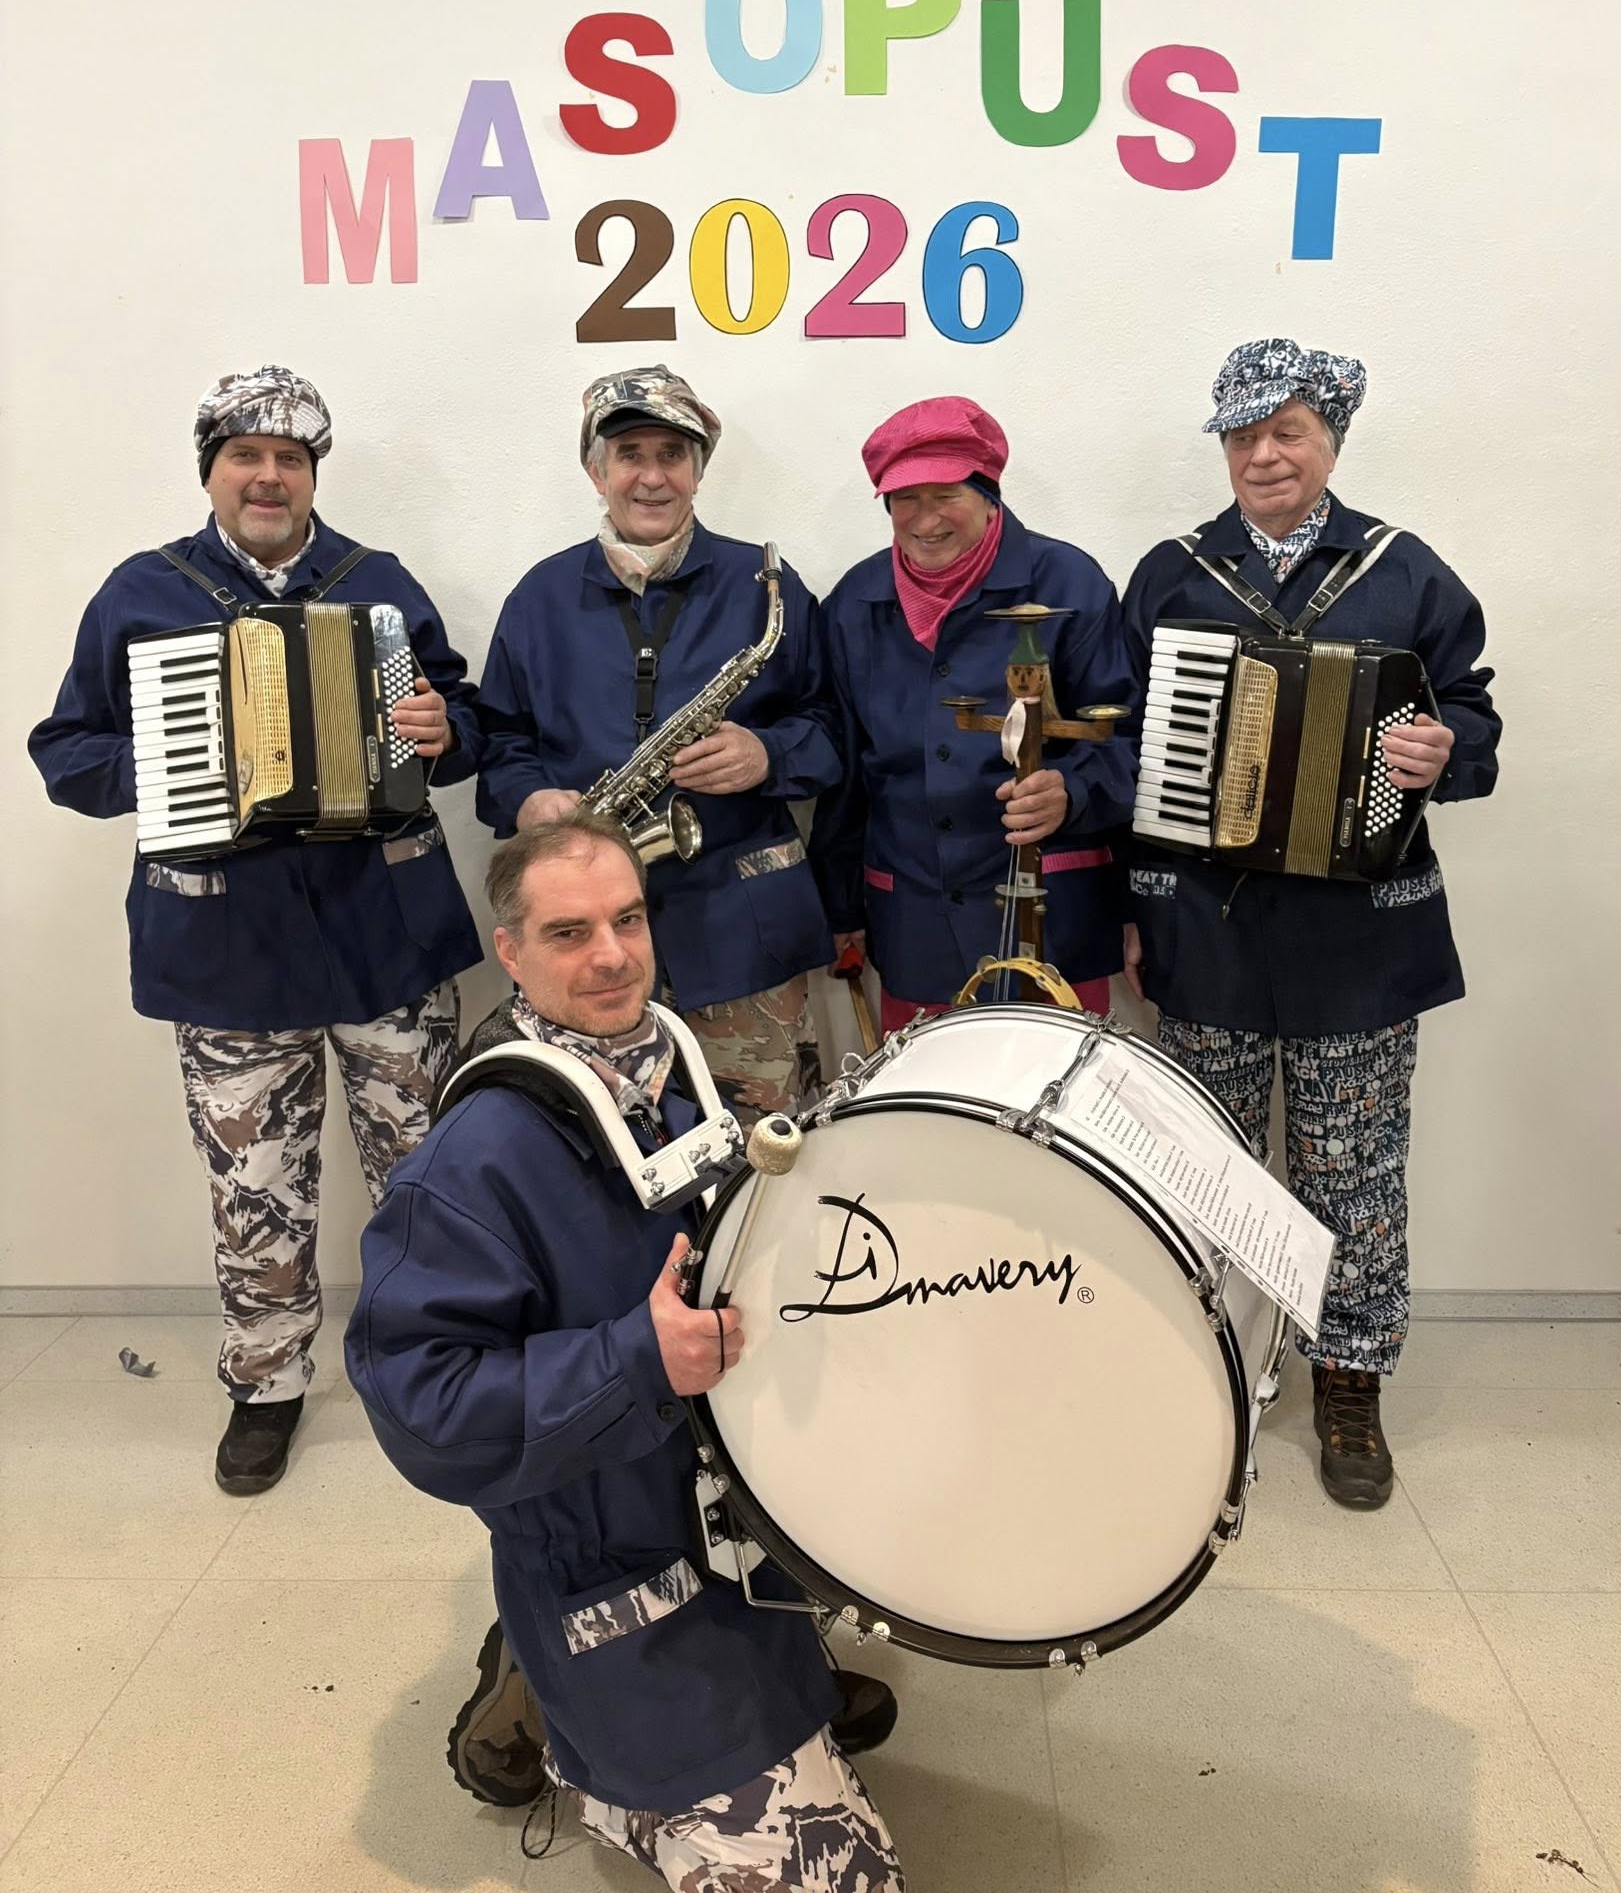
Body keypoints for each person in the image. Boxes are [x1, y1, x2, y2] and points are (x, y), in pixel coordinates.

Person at [346, 816, 904, 1889]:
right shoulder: (467, 1165)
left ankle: (570, 1676)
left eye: (628, 919)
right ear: (509, 953)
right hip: (613, 1568)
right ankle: (563, 1701)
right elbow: (422, 1410)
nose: (611, 955)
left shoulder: (671, 1074)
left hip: (725, 1518)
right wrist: (634, 1360)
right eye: (568, 933)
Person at [29, 366, 482, 1495]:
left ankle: (435, 1358)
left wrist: (444, 729)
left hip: (384, 933)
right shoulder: (142, 590)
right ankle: (269, 1384)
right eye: (246, 455)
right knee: (256, 1183)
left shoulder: (376, 583)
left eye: (289, 458)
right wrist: (172, 759)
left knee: (427, 1165)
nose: (268, 476)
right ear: (213, 473)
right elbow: (66, 752)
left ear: (312, 475)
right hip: (226, 947)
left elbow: (465, 717)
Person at [1119, 337, 1501, 1508]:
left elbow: (1472, 712)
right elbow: (1125, 751)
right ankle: (1223, 1359)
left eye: (1283, 431)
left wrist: (1443, 749)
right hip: (1207, 928)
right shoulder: (1171, 575)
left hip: (1359, 938)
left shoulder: (1403, 570)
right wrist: (1130, 909)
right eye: (1241, 435)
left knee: (1352, 1171)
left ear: (1329, 439)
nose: (1261, 455)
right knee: (1211, 1168)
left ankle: (1348, 1376)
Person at [475, 365, 840, 1127]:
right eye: (630, 454)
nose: (651, 476)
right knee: (599, 1156)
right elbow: (501, 740)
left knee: (765, 1155)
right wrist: (529, 799)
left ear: (698, 471)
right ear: (596, 471)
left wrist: (767, 755)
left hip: (742, 944)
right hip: (588, 952)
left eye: (672, 455)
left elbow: (832, 730)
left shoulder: (766, 586)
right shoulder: (537, 598)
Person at [809, 396, 1138, 1030]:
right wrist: (840, 907)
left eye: (946, 495)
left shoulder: (1069, 583)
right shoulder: (854, 603)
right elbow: (847, 772)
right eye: (905, 498)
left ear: (990, 496)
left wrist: (1071, 792)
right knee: (929, 1092)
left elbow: (1127, 741)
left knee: (1054, 1089)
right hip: (914, 923)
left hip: (1053, 919)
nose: (925, 518)